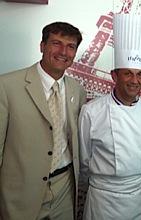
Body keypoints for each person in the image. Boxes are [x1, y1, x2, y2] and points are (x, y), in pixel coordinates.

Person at [0, 21, 86, 220]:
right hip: (20, 194)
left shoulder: (77, 91)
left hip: (65, 189)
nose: (63, 51)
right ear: (42, 46)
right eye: (56, 43)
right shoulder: (7, 86)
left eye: (71, 46)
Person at [78, 14, 141, 220]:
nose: (135, 80)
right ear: (114, 76)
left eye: (139, 74)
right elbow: (84, 159)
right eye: (128, 74)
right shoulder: (92, 111)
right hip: (105, 199)